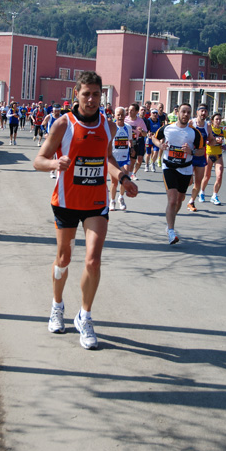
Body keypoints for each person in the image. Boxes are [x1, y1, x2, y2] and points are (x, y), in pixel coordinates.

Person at [33, 71, 138, 349]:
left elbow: (108, 160)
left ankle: (85, 316)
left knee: (93, 260)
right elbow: (38, 160)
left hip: (96, 203)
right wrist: (54, 165)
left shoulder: (108, 127)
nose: (91, 99)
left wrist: (123, 178)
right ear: (76, 95)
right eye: (86, 94)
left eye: (96, 94)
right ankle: (57, 306)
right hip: (66, 203)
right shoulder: (62, 125)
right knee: (64, 258)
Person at [152, 103, 203, 244]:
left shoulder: (194, 133)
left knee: (180, 200)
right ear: (178, 113)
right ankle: (171, 231)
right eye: (183, 112)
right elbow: (154, 138)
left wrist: (191, 152)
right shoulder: (168, 128)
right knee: (173, 199)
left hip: (186, 169)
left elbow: (202, 150)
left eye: (188, 112)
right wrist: (160, 145)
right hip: (169, 167)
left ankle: (171, 218)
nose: (185, 114)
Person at [186, 104, 215, 212]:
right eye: (201, 111)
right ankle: (180, 196)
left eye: (205, 111)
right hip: (189, 155)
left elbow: (211, 140)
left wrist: (215, 141)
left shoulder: (207, 126)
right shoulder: (191, 123)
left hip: (201, 155)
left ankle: (191, 202)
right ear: (197, 112)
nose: (203, 113)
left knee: (198, 182)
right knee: (188, 181)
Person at [199, 113, 226, 205]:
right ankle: (202, 192)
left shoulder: (223, 132)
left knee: (219, 175)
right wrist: (211, 141)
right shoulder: (210, 130)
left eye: (220, 119)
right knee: (207, 176)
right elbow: (205, 140)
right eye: (216, 119)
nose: (218, 121)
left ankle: (214, 195)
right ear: (212, 121)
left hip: (218, 155)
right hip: (209, 154)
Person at [109, 106, 132, 211]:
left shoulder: (128, 127)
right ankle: (112, 201)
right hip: (114, 158)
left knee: (125, 178)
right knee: (114, 182)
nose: (120, 116)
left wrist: (131, 148)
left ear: (125, 115)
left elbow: (130, 140)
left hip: (125, 158)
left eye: (122, 114)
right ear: (115, 115)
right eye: (118, 114)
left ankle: (121, 197)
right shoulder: (112, 127)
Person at [124, 103, 148, 181]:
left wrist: (142, 131)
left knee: (133, 161)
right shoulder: (125, 119)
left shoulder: (140, 121)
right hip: (124, 142)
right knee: (124, 160)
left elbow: (145, 134)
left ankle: (130, 175)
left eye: (132, 110)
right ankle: (124, 174)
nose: (129, 112)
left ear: (136, 111)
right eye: (129, 110)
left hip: (134, 143)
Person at [41, 103, 62, 178]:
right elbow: (42, 125)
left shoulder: (62, 117)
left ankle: (55, 171)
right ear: (53, 110)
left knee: (58, 155)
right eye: (55, 110)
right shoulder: (49, 116)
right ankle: (52, 171)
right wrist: (45, 133)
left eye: (58, 111)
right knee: (52, 155)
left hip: (59, 137)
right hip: (50, 137)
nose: (57, 112)